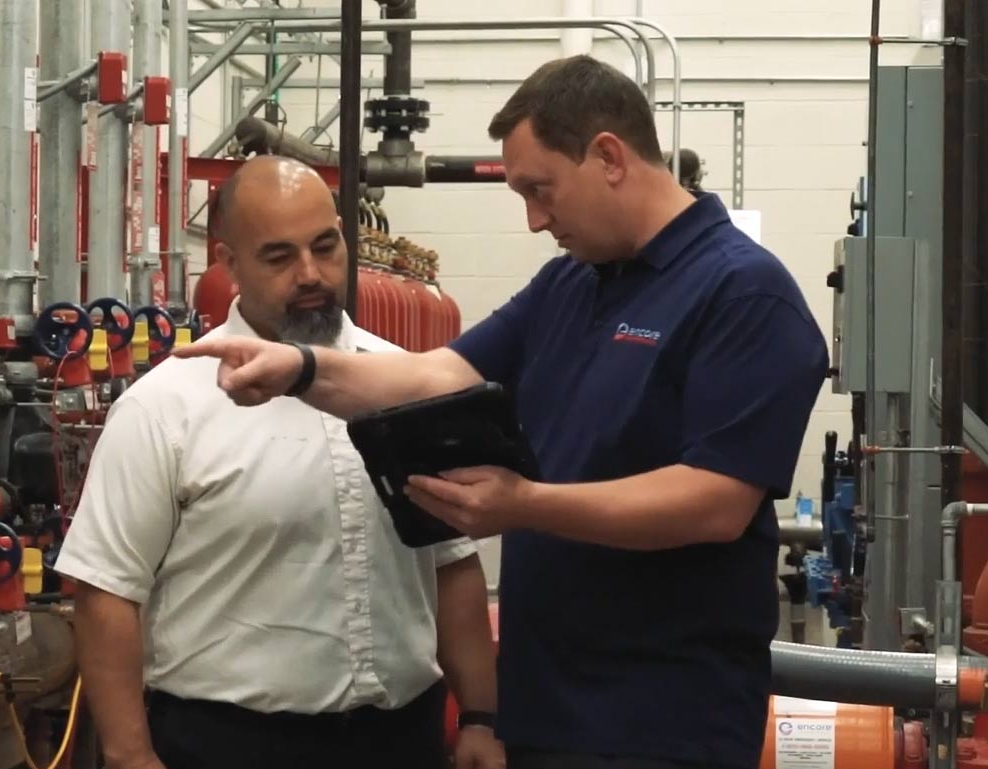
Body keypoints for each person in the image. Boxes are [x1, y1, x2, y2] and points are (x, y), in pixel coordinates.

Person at [174, 55, 830, 769]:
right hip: (546, 707)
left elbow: (714, 502)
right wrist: (298, 368)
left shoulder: (742, 293)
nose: (533, 220)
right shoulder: (570, 284)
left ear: (608, 157)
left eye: (539, 190)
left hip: (662, 723)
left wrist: (522, 505)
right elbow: (435, 375)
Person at [54, 155, 504, 769]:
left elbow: (451, 562)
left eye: (325, 246)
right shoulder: (165, 407)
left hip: (400, 739)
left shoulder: (407, 383)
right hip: (228, 744)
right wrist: (130, 754)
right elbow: (106, 590)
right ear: (228, 261)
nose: (311, 274)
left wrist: (479, 716)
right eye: (279, 257)